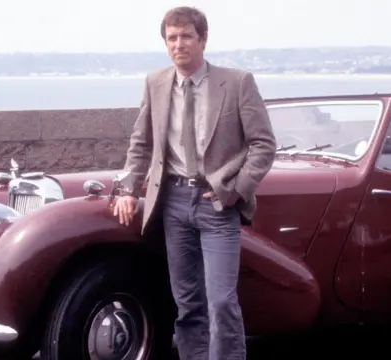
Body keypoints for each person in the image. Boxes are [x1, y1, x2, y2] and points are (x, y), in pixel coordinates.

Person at [113, 6, 276, 360]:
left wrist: (235, 188)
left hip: (217, 203)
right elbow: (141, 143)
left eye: (186, 36)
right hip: (172, 202)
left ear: (202, 39)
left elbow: (263, 144)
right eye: (172, 38)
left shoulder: (236, 83)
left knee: (220, 301)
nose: (179, 44)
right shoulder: (155, 84)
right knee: (187, 304)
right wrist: (128, 189)